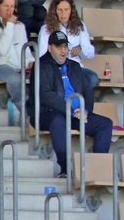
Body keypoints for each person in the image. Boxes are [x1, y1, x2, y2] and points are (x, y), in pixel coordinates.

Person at [37, 32, 112, 178]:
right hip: (50, 113)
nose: (63, 51)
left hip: (76, 114)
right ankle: (65, 169)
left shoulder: (75, 66)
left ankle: (96, 172)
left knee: (105, 124)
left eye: (65, 47)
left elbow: (88, 91)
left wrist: (86, 111)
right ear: (50, 48)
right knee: (57, 121)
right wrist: (71, 111)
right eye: (59, 47)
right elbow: (46, 96)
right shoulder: (41, 66)